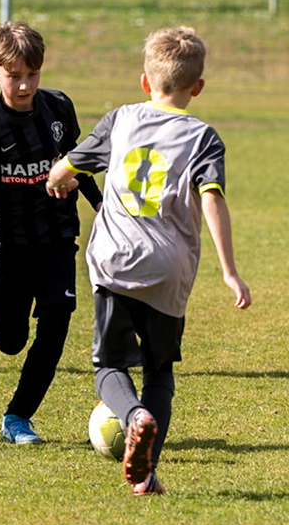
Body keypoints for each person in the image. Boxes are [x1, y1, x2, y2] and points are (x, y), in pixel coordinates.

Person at [46, 26, 251, 496]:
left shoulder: (120, 120)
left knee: (108, 366)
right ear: (197, 87)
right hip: (168, 270)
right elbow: (212, 199)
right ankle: (146, 474)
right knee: (159, 371)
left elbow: (66, 168)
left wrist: (58, 181)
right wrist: (229, 271)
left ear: (145, 81)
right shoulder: (203, 137)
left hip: (115, 261)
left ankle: (133, 414)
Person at [0, 22, 102, 445]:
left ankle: (18, 416)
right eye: (14, 76)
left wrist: (103, 208)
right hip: (4, 243)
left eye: (33, 74)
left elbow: (77, 162)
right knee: (10, 340)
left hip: (55, 237)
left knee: (56, 323)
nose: (24, 85)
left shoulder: (58, 107)